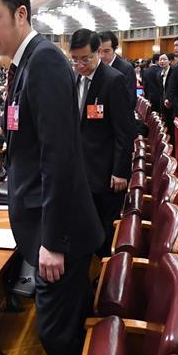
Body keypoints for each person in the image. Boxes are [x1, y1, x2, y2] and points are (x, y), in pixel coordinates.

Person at [0, 0, 102, 355]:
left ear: (21, 14)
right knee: (69, 326)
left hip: (60, 237)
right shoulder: (24, 65)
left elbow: (59, 158)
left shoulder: (44, 61)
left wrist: (53, 241)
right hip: (47, 227)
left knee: (54, 333)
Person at [69, 28, 134, 257]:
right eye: (75, 59)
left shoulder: (113, 80)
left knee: (104, 229)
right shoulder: (75, 76)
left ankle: (106, 277)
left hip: (105, 171)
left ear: (98, 52)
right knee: (86, 226)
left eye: (85, 58)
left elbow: (125, 131)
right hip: (81, 168)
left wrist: (120, 171)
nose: (80, 64)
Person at [98, 30, 137, 105]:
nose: (101, 55)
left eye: (106, 51)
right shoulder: (96, 67)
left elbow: (130, 100)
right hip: (97, 114)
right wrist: (92, 115)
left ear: (114, 49)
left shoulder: (126, 68)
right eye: (98, 51)